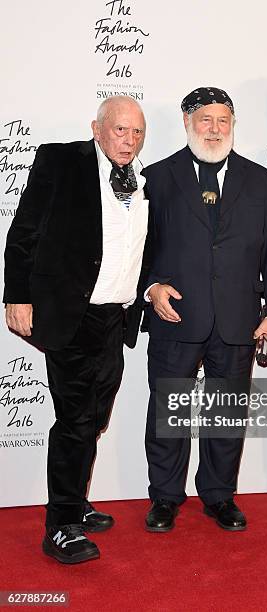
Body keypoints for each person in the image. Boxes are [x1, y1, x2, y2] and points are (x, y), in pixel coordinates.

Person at [3, 96, 151, 563]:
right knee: (76, 420)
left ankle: (74, 500)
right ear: (97, 127)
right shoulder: (61, 160)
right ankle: (61, 526)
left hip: (115, 318)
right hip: (71, 316)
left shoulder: (145, 180)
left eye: (137, 132)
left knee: (96, 416)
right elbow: (24, 230)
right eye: (120, 130)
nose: (129, 140)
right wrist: (16, 296)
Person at [143, 87, 267, 533]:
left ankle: (219, 496)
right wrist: (151, 287)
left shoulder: (260, 179)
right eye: (205, 119)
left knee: (226, 413)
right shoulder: (156, 177)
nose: (214, 129)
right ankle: (166, 498)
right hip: (176, 315)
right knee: (169, 413)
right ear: (187, 122)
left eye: (223, 120)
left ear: (232, 125)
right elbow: (137, 247)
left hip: (238, 317)